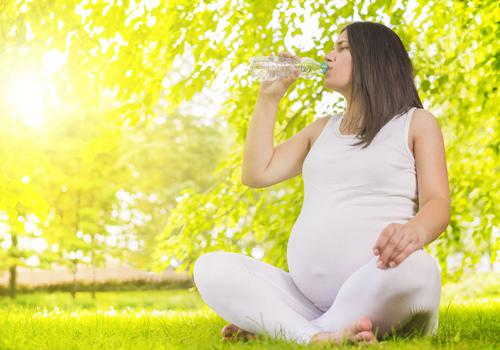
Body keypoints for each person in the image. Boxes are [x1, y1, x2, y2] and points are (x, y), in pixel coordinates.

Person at [193, 20, 451, 346]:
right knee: (211, 268)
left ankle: (290, 328)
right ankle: (317, 335)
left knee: (419, 268)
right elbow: (257, 173)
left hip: (383, 282)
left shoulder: (416, 123)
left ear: (376, 60)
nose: (328, 56)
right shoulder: (321, 130)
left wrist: (414, 232)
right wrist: (268, 99)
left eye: (343, 49)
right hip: (306, 296)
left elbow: (438, 203)